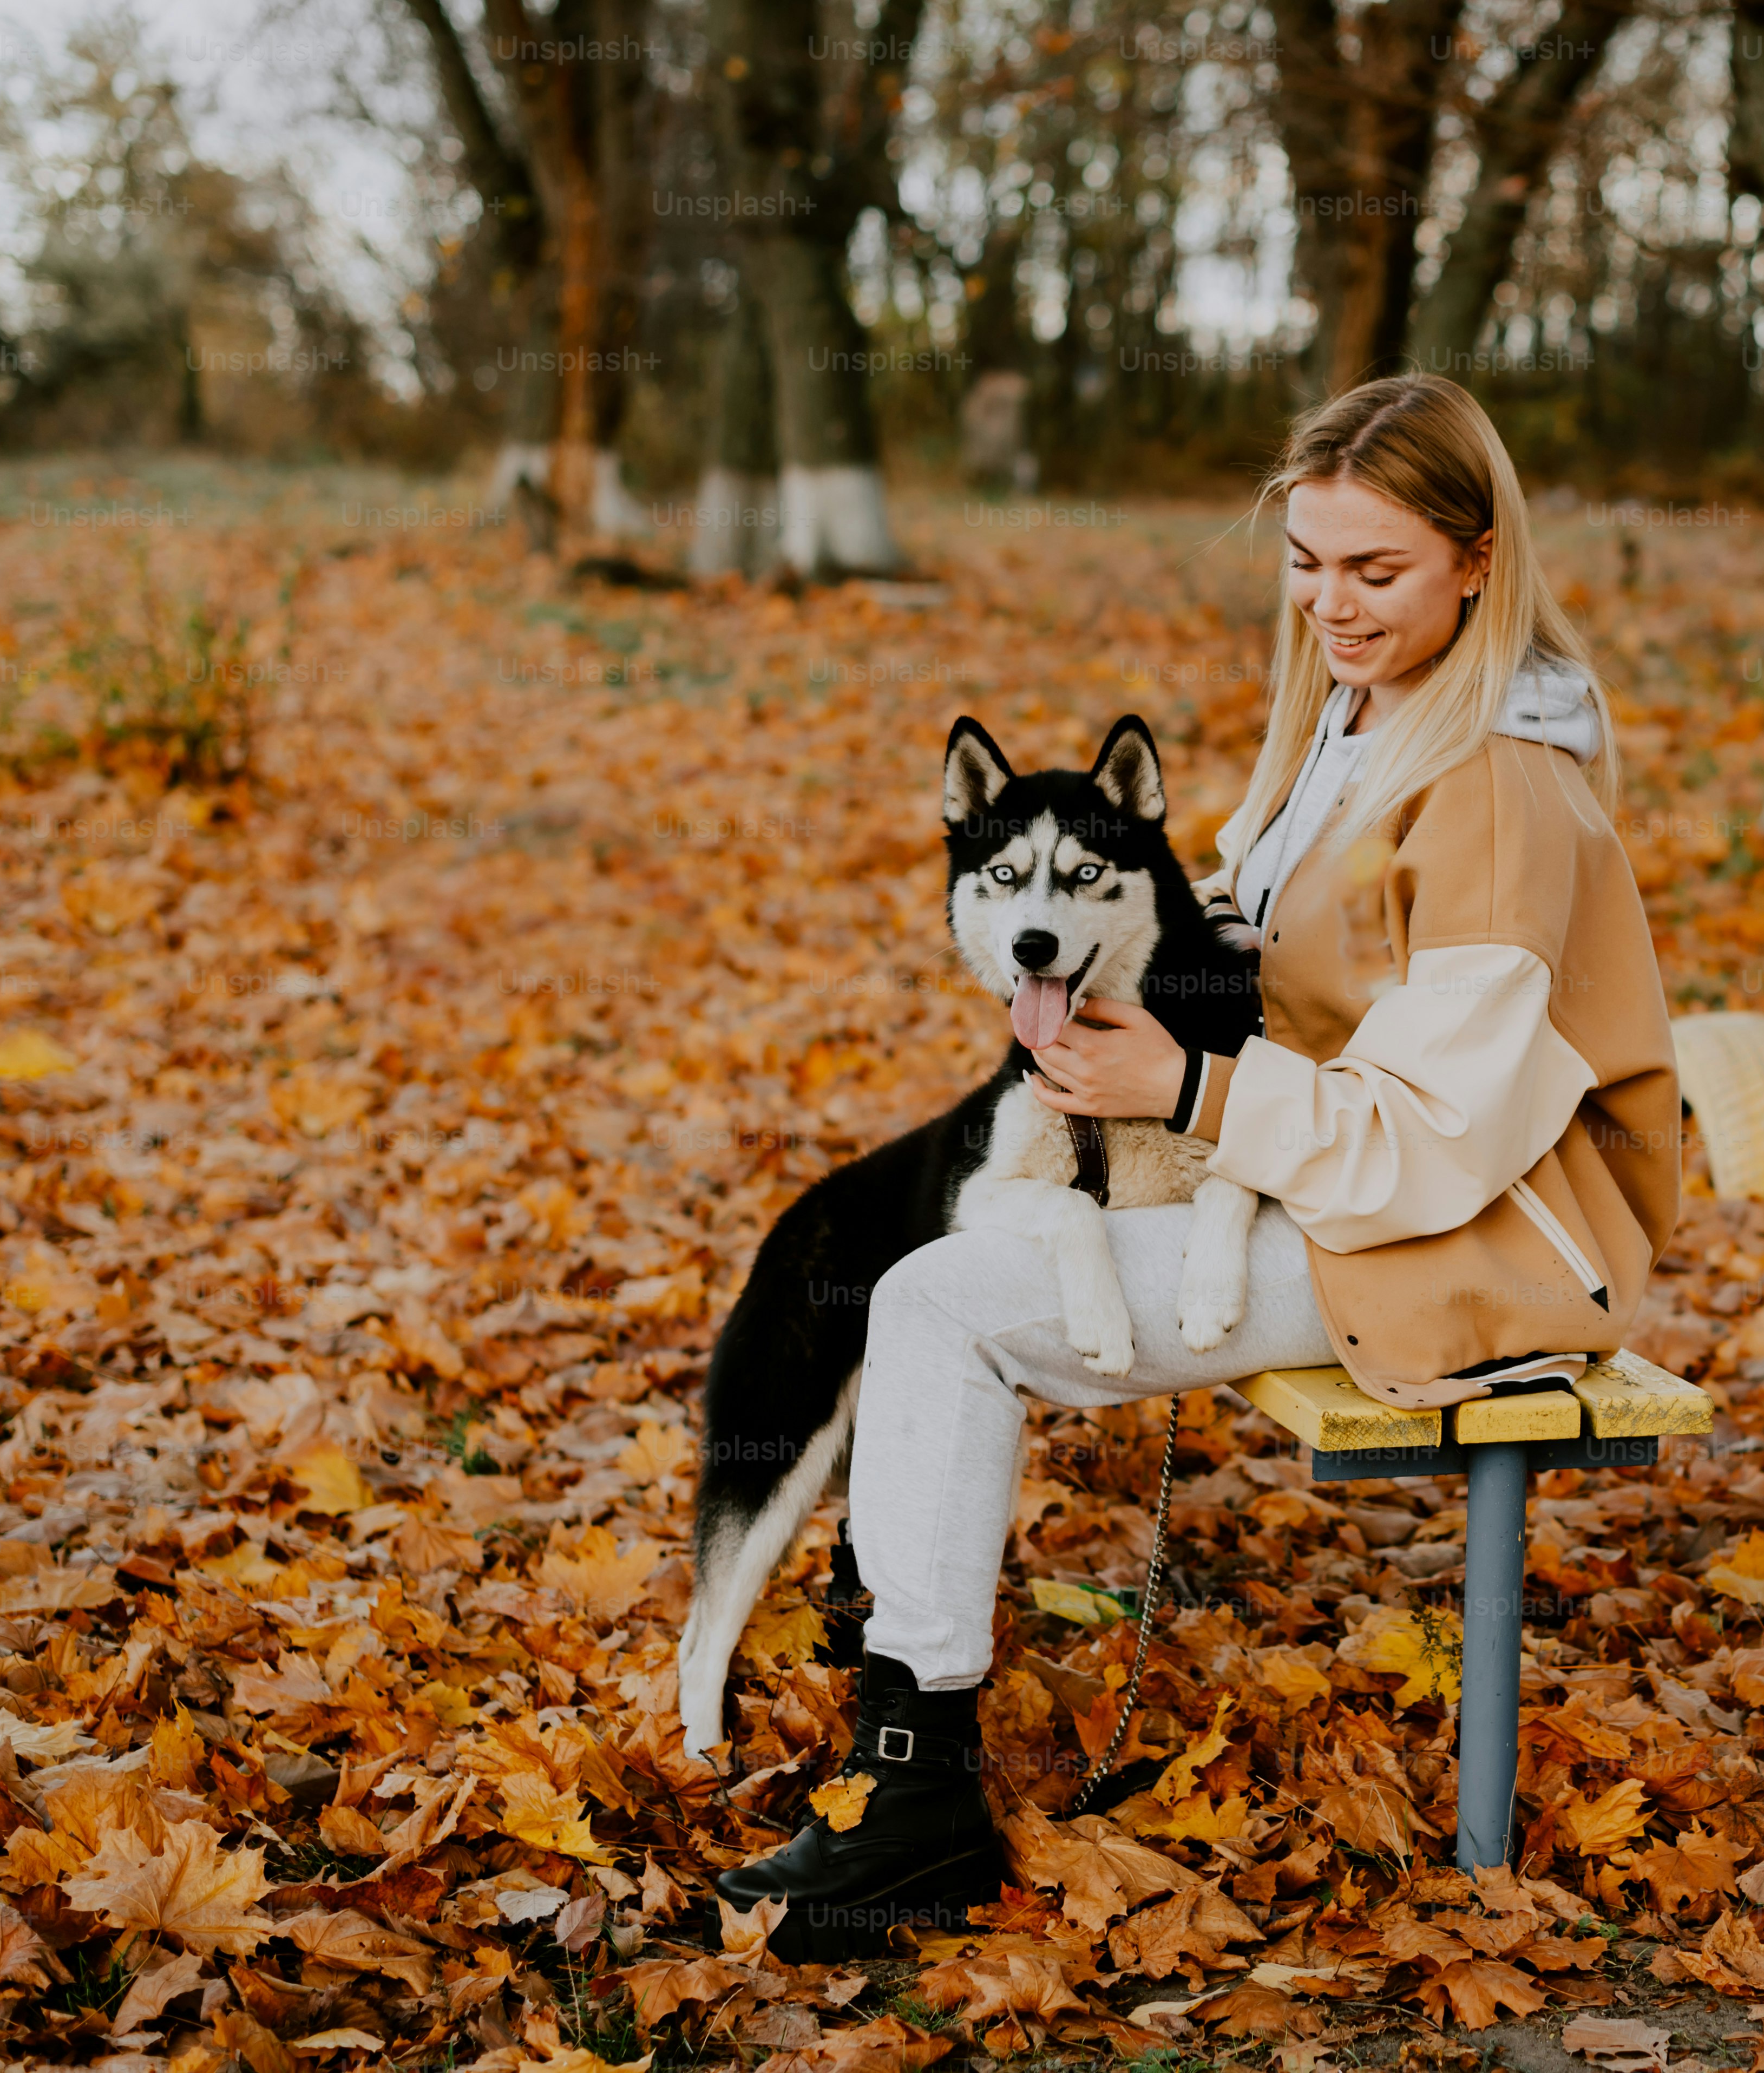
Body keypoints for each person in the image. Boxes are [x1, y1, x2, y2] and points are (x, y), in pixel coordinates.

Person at [714, 374, 1680, 1954]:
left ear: (1476, 561)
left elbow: (1434, 1141)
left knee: (949, 1302)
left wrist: (1185, 1083)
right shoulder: (1357, 725)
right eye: (1307, 563)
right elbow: (1246, 925)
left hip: (1473, 1236)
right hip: (1332, 1175)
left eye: (1373, 572)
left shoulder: (1496, 787)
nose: (1329, 605)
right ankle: (899, 1670)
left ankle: (914, 1790)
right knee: (938, 1256)